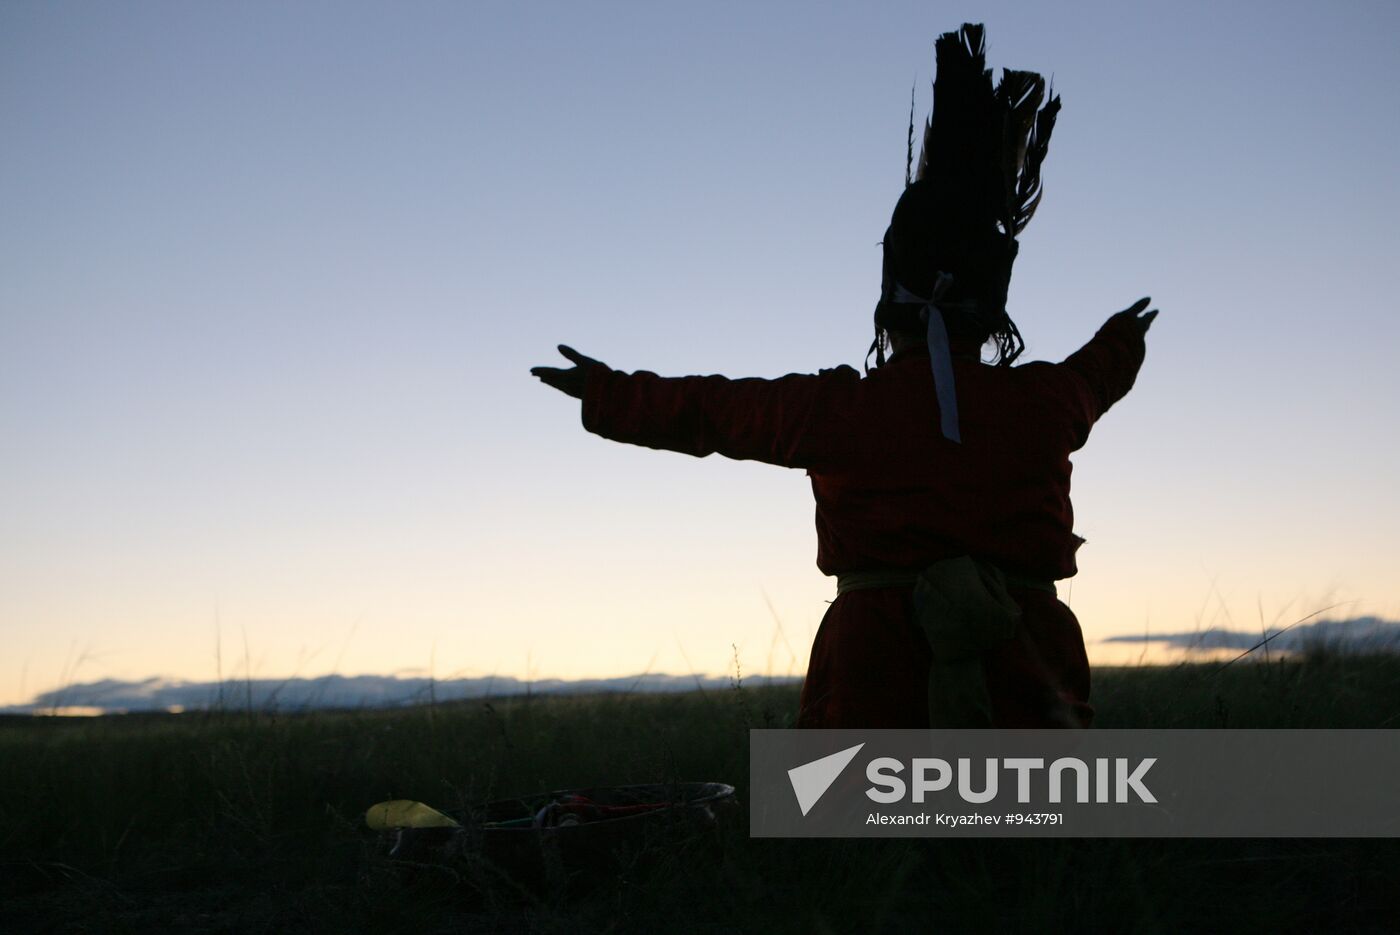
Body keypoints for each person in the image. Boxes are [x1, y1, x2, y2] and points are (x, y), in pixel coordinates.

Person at [530, 24, 1157, 729]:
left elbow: (712, 411)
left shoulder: (837, 409)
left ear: (890, 300)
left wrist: (607, 391)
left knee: (862, 832)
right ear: (993, 312)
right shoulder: (1046, 401)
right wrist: (1123, 337)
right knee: (1028, 831)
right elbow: (1098, 375)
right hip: (1029, 670)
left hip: (874, 672)